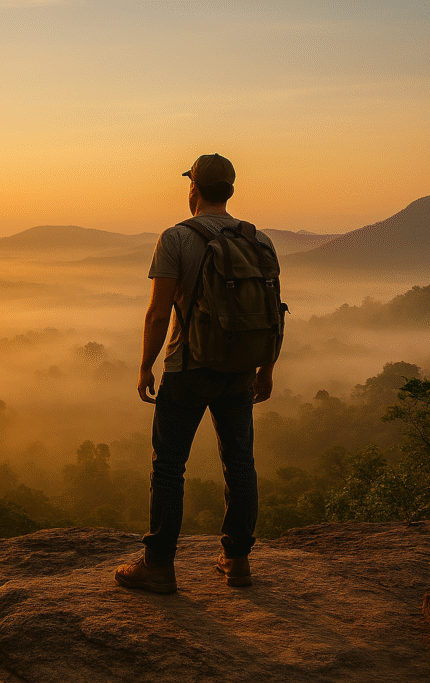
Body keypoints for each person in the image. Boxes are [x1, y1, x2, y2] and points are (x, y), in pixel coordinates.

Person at [114, 153, 277, 593]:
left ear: (194, 188)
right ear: (231, 189)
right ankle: (237, 560)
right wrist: (266, 369)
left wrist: (145, 365)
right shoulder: (257, 238)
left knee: (169, 466)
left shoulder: (176, 238)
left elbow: (157, 313)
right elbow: (271, 313)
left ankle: (159, 565)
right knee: (240, 462)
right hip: (241, 369)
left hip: (187, 367)